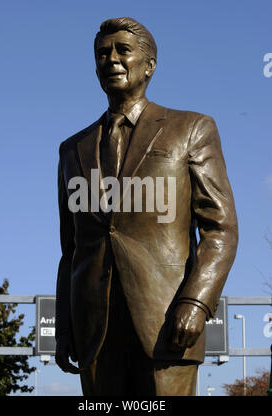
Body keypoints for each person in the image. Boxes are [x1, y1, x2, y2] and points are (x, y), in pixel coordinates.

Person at [55, 17, 238, 396]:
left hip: (168, 323)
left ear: (149, 65)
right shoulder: (73, 149)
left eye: (123, 50)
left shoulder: (191, 129)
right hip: (95, 333)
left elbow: (220, 230)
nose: (112, 59)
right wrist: (64, 326)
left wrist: (196, 302)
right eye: (103, 53)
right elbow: (70, 250)